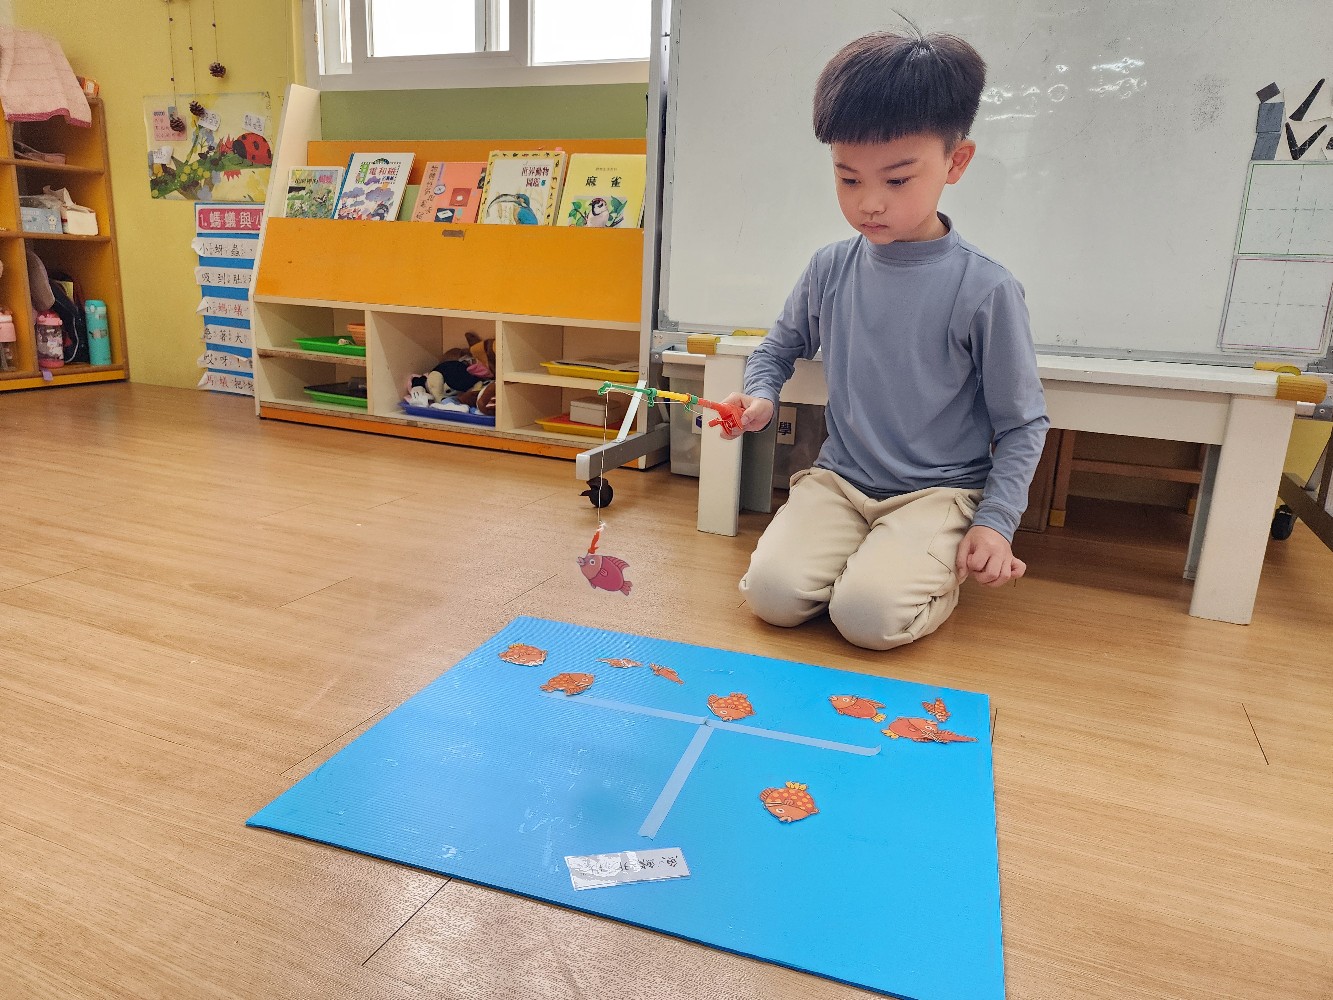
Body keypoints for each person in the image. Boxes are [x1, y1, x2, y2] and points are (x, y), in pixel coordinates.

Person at [722, 29, 1049, 651]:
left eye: (897, 181)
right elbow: (777, 348)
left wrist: (996, 523)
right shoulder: (829, 267)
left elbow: (1023, 422)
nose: (869, 203)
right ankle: (872, 561)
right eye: (848, 180)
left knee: (867, 620)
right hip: (841, 482)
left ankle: (921, 568)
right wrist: (761, 396)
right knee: (771, 596)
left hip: (939, 492)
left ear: (956, 163)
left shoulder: (986, 288)